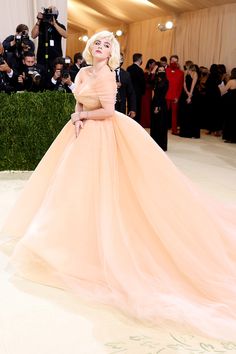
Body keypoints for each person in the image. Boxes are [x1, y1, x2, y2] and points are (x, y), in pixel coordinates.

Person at [1, 30, 236, 342]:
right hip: (81, 131)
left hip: (103, 133)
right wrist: (78, 114)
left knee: (108, 189)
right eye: (97, 43)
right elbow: (81, 100)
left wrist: (83, 115)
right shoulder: (83, 71)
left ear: (112, 52)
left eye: (107, 44)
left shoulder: (110, 75)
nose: (101, 47)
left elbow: (109, 112)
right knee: (71, 190)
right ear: (90, 48)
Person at [31, 6, 67, 72]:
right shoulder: (41, 25)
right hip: (42, 57)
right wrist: (38, 21)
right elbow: (33, 35)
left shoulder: (60, 26)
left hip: (55, 57)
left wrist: (54, 24)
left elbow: (65, 35)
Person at [114, 53, 136, 118]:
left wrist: (132, 109)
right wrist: (113, 84)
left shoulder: (126, 74)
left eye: (120, 59)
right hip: (107, 107)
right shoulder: (105, 72)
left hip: (121, 108)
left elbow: (131, 93)